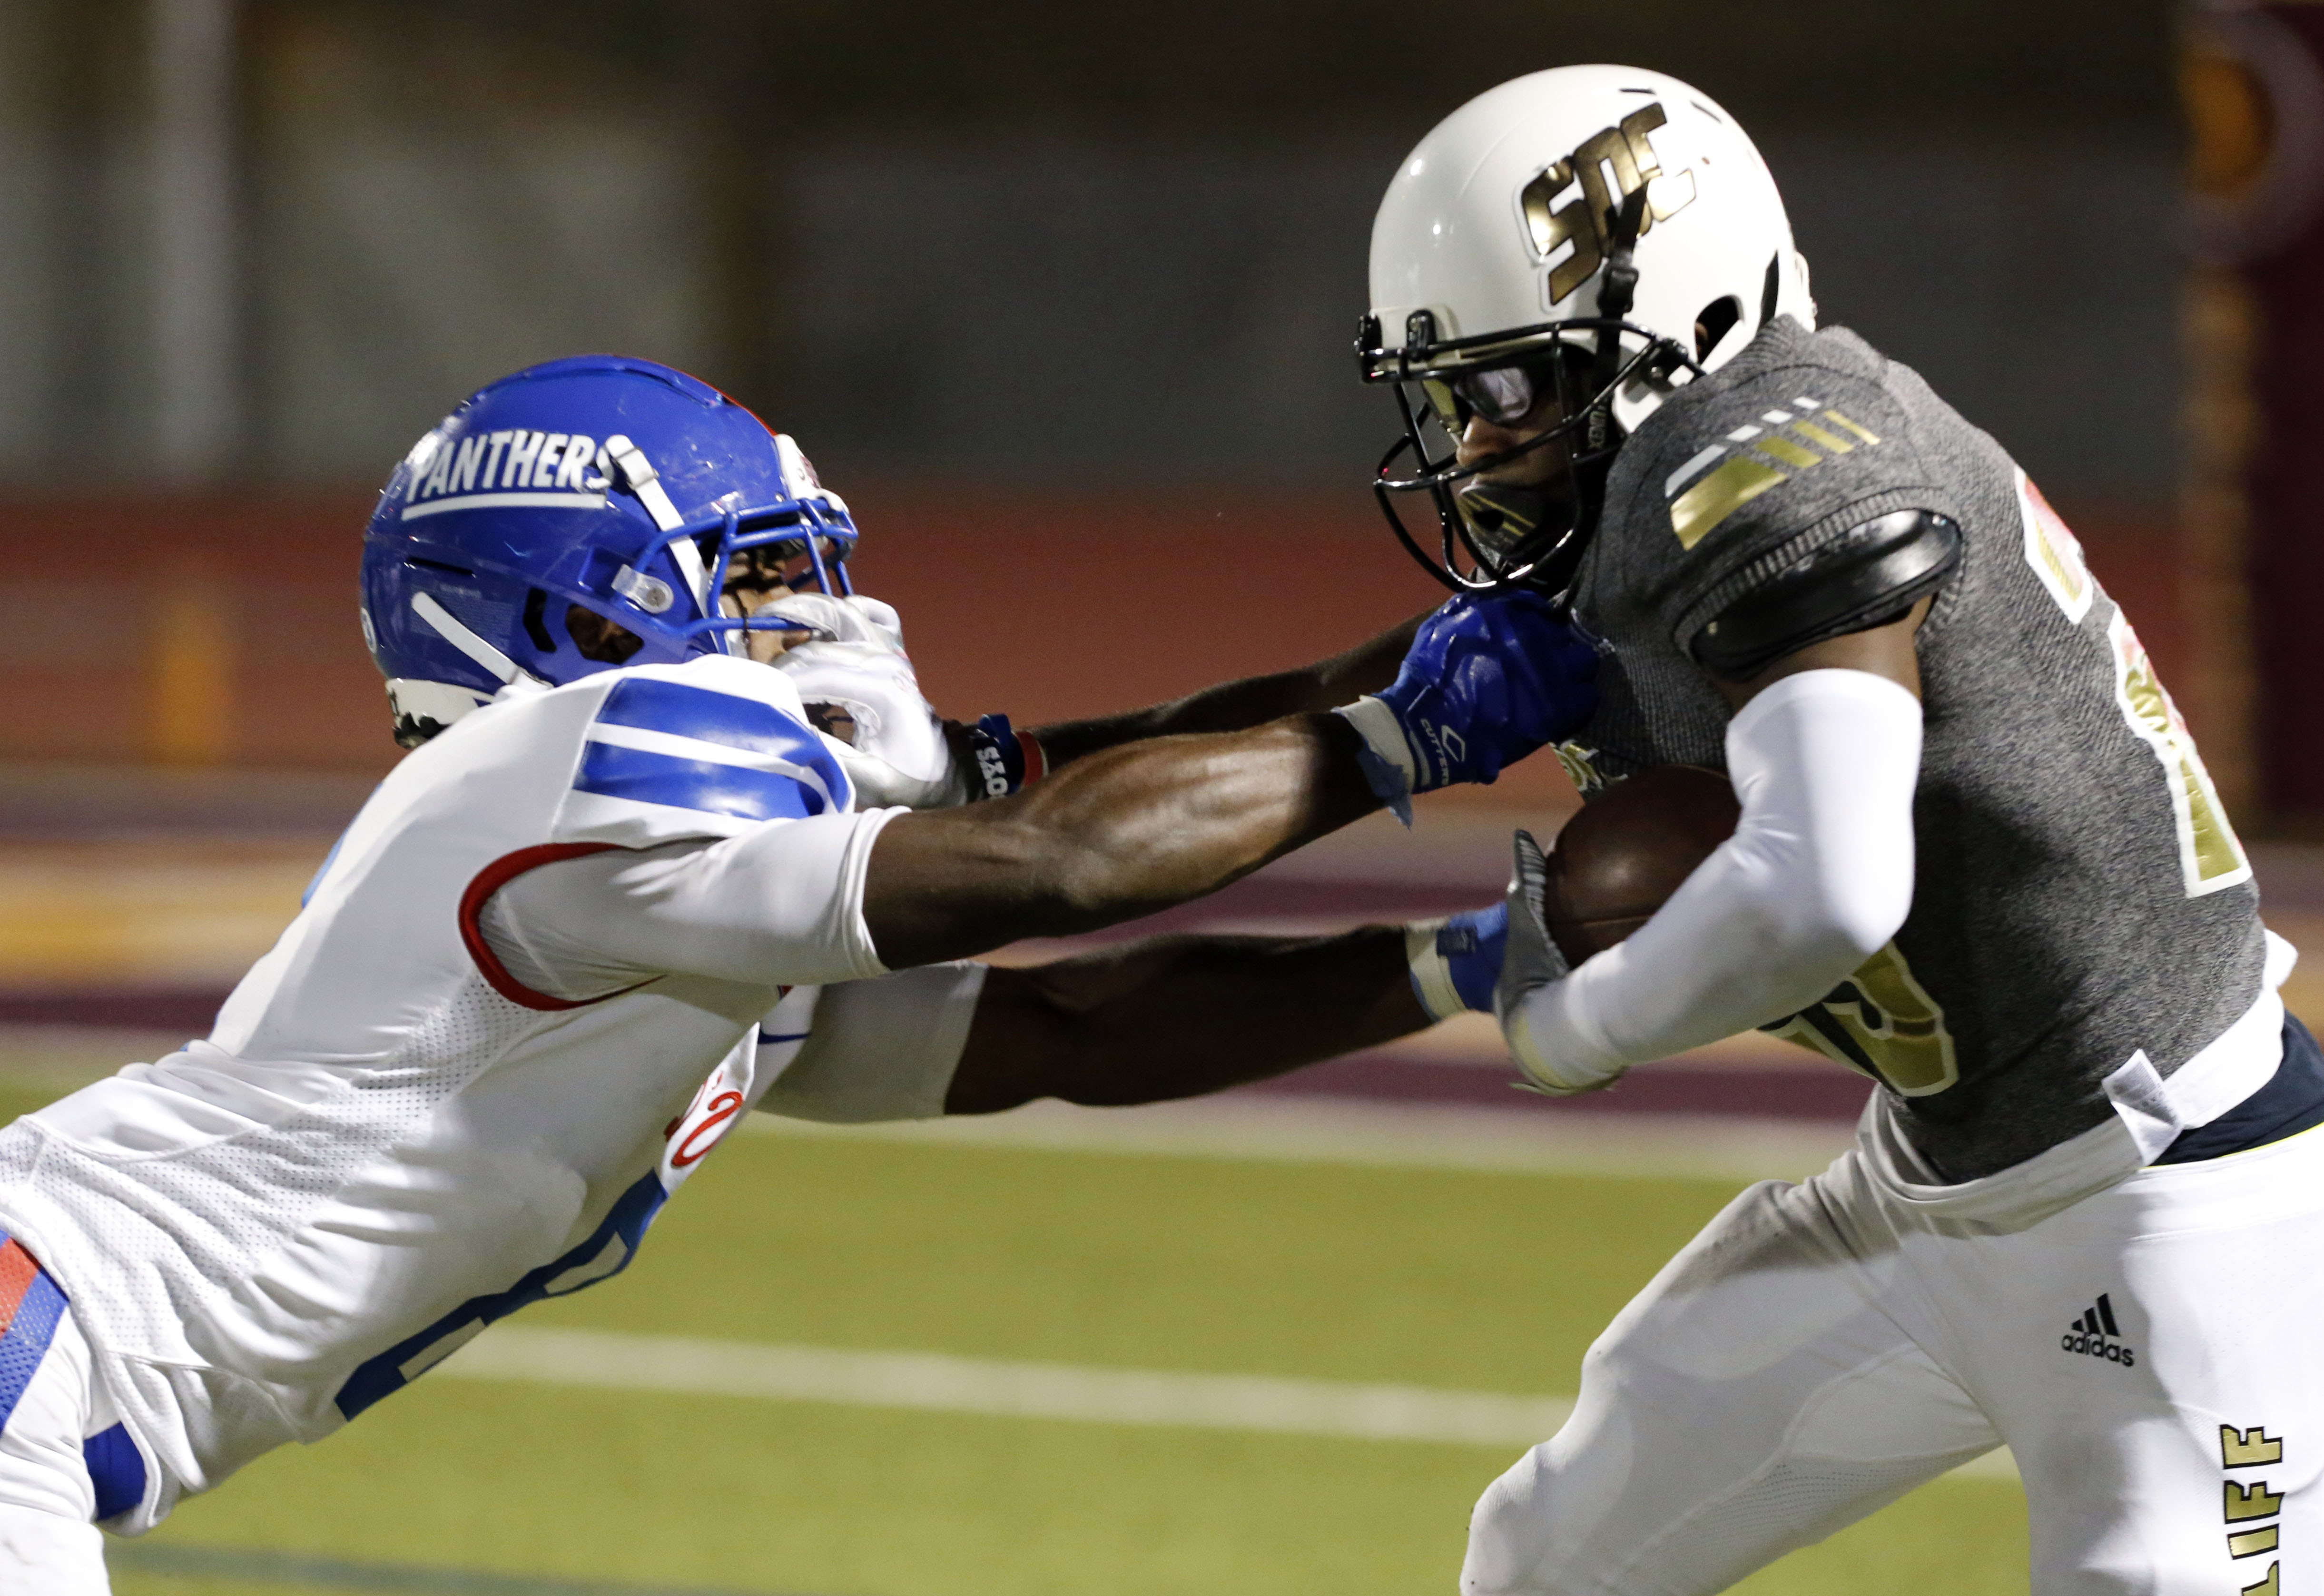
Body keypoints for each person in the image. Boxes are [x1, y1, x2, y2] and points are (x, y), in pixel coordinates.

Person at [0, 354, 1599, 1589]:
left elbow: (1060, 1021)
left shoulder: (666, 908)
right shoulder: (569, 759)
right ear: (579, 610)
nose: (812, 617)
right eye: (756, 577)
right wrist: (1402, 739)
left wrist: (1452, 961)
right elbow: (1052, 863)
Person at [1357, 65, 2324, 1596]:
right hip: (1927, 1198)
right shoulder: (1644, 510)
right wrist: (997, 764)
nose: (1480, 449)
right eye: (1451, 401)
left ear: (1674, 325)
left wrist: (1571, 1026)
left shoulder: (1770, 457)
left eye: (1510, 392)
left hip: (2182, 1213)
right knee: (1549, 1554)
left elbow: (1826, 883)